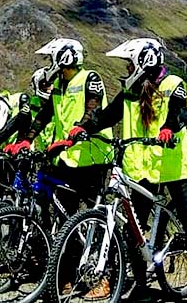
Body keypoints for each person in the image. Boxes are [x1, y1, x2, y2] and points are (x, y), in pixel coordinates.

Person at [73, 38, 187, 302]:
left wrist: (168, 128)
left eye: (130, 64)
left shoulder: (172, 84)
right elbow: (108, 115)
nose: (127, 69)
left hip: (171, 164)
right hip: (140, 166)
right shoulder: (130, 91)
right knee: (133, 229)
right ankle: (140, 285)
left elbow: (180, 113)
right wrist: (83, 128)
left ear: (144, 62)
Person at [11, 38, 113, 211]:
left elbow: (92, 108)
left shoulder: (89, 78)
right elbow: (45, 115)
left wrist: (80, 127)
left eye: (52, 59)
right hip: (68, 156)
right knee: (65, 209)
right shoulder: (58, 84)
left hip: (93, 155)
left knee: (93, 209)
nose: (50, 63)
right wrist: (27, 140)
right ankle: (68, 238)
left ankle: (103, 236)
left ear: (63, 58)